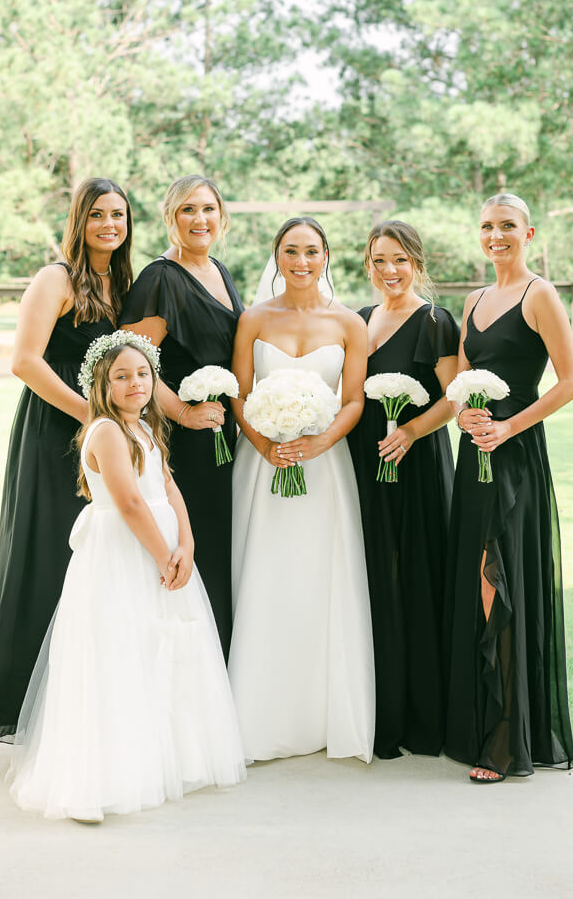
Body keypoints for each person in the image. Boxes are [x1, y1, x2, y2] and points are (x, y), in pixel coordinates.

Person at [8, 333, 246, 821]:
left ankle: (160, 759)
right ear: (102, 384)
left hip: (164, 547)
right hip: (124, 552)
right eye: (122, 376)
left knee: (160, 648)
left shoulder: (145, 427)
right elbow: (130, 502)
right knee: (116, 652)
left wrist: (187, 543)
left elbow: (166, 485)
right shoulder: (107, 432)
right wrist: (164, 555)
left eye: (142, 373)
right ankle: (93, 782)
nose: (135, 383)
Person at [0, 178, 133, 742]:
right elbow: (25, 361)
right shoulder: (55, 278)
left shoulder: (122, 285)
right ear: (78, 222)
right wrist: (92, 415)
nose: (110, 224)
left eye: (119, 215)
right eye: (98, 215)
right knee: (48, 553)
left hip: (103, 440)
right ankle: (20, 703)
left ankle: (80, 694)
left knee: (96, 560)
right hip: (53, 434)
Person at [443, 193, 573, 782]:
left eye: (507, 226)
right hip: (474, 453)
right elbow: (464, 379)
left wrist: (507, 427)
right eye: (486, 227)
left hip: (515, 454)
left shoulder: (538, 294)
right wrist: (466, 416)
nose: (495, 235)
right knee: (475, 580)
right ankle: (479, 722)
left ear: (529, 233)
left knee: (496, 577)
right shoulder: (473, 299)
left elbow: (571, 382)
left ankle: (504, 741)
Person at [228, 217, 375, 763]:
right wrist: (265, 443)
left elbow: (354, 399)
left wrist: (319, 442)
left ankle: (321, 712)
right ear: (277, 256)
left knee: (319, 579)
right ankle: (258, 716)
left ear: (326, 256)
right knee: (266, 575)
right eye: (291, 251)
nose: (302, 261)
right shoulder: (253, 319)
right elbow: (241, 395)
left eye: (311, 251)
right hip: (263, 464)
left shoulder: (348, 324)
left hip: (323, 466)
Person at [120, 175, 244, 657]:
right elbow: (135, 362)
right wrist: (185, 414)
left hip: (221, 432)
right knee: (195, 544)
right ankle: (189, 666)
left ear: (222, 216)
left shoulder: (219, 270)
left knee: (219, 545)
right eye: (188, 210)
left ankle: (222, 667)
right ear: (171, 217)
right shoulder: (160, 278)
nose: (200, 219)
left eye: (209, 209)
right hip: (184, 438)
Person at [348, 221, 459, 759]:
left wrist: (412, 430)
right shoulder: (359, 319)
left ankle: (422, 716)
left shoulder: (435, 321)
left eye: (399, 260)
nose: (389, 271)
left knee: (414, 575)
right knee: (371, 578)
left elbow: (455, 397)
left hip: (414, 464)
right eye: (378, 260)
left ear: (417, 263)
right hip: (364, 464)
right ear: (366, 264)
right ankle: (376, 708)